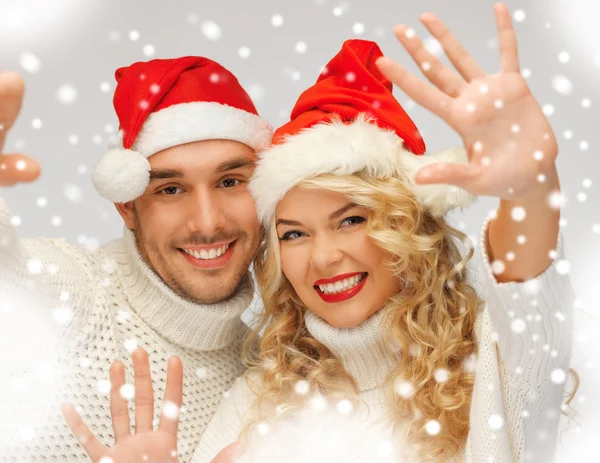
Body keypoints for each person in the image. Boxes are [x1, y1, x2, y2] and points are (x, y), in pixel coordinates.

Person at [61, 4, 576, 463]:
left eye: (351, 220)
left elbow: (528, 285)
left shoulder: (493, 359)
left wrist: (530, 187)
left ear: (406, 226)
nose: (323, 258)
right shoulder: (260, 396)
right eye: (293, 234)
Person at [0, 56, 272, 462]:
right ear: (127, 206)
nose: (208, 222)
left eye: (230, 182)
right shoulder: (78, 294)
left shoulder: (265, 373)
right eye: (170, 190)